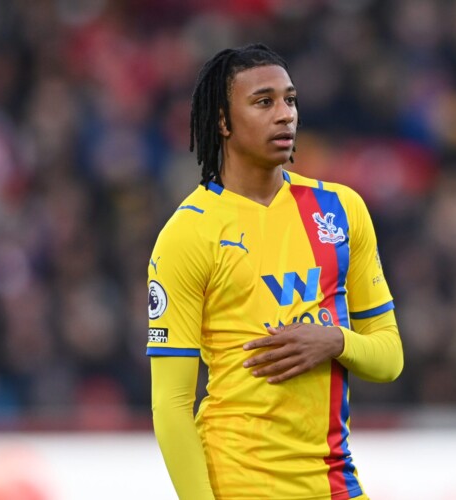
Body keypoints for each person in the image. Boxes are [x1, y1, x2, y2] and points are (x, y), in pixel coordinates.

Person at [147, 43, 403, 500]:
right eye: (264, 102)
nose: (285, 115)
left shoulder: (341, 211)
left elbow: (390, 359)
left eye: (290, 100)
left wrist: (336, 340)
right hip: (239, 485)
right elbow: (171, 404)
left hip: (334, 484)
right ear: (223, 121)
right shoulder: (188, 234)